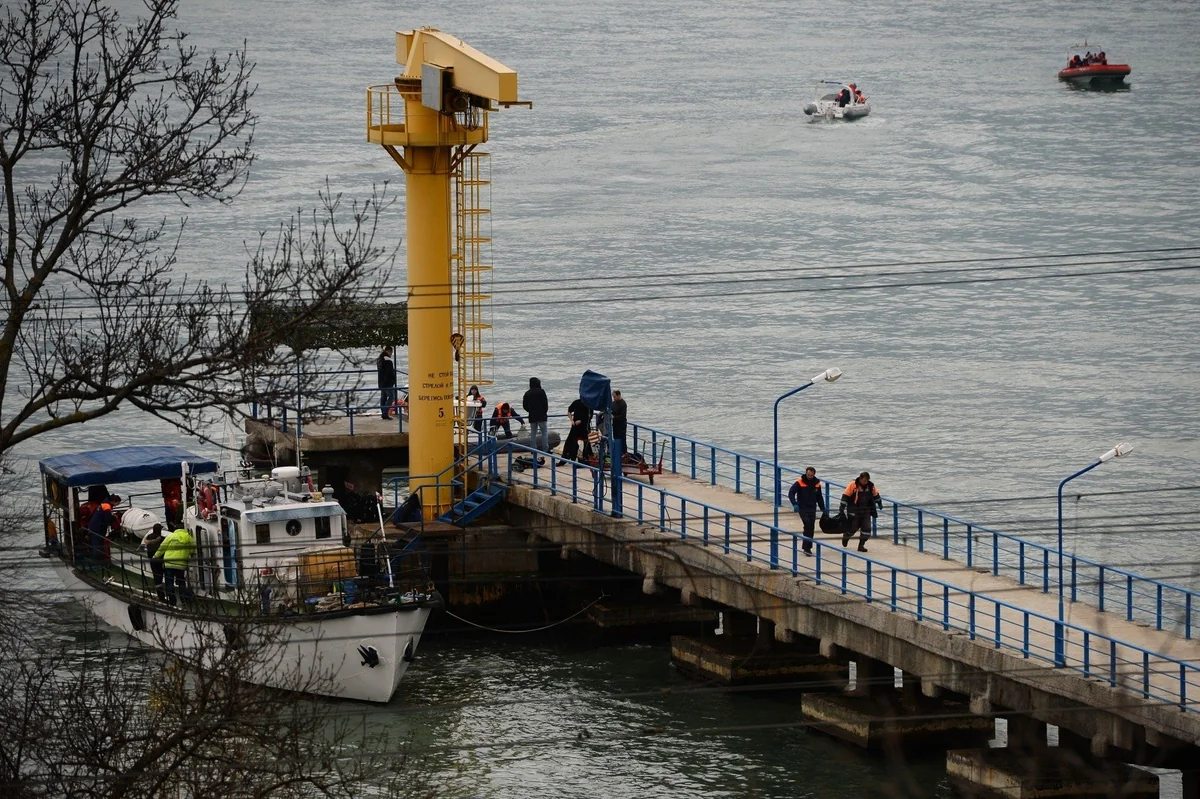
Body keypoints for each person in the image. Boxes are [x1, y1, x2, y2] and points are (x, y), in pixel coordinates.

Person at [788, 467, 827, 557]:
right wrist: (794, 504)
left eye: (811, 475)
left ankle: (807, 546)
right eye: (808, 475)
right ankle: (806, 548)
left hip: (812, 508)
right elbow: (791, 493)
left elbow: (819, 498)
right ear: (806, 473)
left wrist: (823, 509)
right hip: (802, 507)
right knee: (807, 524)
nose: (809, 476)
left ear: (814, 474)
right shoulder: (800, 482)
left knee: (811, 527)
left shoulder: (817, 483)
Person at [840, 472, 882, 553]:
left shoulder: (870, 486)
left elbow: (876, 495)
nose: (865, 482)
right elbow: (845, 496)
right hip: (854, 510)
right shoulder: (853, 485)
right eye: (864, 481)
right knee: (853, 528)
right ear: (860, 478)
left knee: (867, 529)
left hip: (866, 511)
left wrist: (879, 503)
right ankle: (846, 536)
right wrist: (842, 507)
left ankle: (861, 545)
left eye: (866, 481)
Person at [158, 526, 196, 607]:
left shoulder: (171, 536)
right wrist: (188, 553)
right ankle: (183, 600)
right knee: (181, 583)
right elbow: (193, 550)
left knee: (169, 583)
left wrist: (155, 556)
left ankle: (172, 602)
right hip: (181, 564)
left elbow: (162, 547)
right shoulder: (189, 538)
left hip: (169, 563)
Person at [87, 494, 121, 562]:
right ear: (114, 501)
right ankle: (96, 561)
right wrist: (114, 517)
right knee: (97, 544)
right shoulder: (106, 506)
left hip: (95, 526)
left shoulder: (104, 503)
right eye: (118, 503)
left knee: (97, 543)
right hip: (97, 527)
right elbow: (107, 518)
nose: (117, 504)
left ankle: (97, 559)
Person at [562, 395, 594, 462]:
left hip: (584, 426)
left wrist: (581, 421)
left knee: (586, 442)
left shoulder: (588, 405)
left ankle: (586, 457)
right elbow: (569, 411)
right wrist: (571, 420)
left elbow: (590, 416)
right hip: (575, 426)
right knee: (570, 441)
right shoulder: (576, 402)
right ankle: (569, 456)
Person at [522, 377, 550, 453]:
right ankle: (545, 449)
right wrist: (544, 411)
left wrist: (530, 411)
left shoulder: (527, 393)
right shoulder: (541, 391)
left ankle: (533, 450)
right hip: (542, 415)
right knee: (544, 433)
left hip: (532, 416)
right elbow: (545, 403)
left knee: (533, 434)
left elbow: (524, 405)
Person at [143, 523, 167, 602]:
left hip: (152, 561)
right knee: (162, 576)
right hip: (160, 560)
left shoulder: (148, 537)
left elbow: (146, 543)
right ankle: (164, 595)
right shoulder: (162, 539)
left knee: (157, 578)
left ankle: (160, 595)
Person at [376, 346, 397, 419]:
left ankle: (383, 412)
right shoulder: (388, 360)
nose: (392, 354)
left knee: (383, 397)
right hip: (387, 382)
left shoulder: (379, 359)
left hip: (381, 381)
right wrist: (392, 380)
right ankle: (385, 413)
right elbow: (389, 372)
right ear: (389, 351)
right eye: (391, 352)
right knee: (391, 396)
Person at [611, 389, 628, 456]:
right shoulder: (613, 403)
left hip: (621, 425)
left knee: (622, 439)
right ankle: (617, 452)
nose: (614, 398)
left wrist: (614, 417)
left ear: (619, 395)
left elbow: (623, 416)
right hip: (615, 425)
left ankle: (624, 453)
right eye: (613, 397)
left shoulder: (623, 404)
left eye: (614, 397)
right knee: (615, 438)